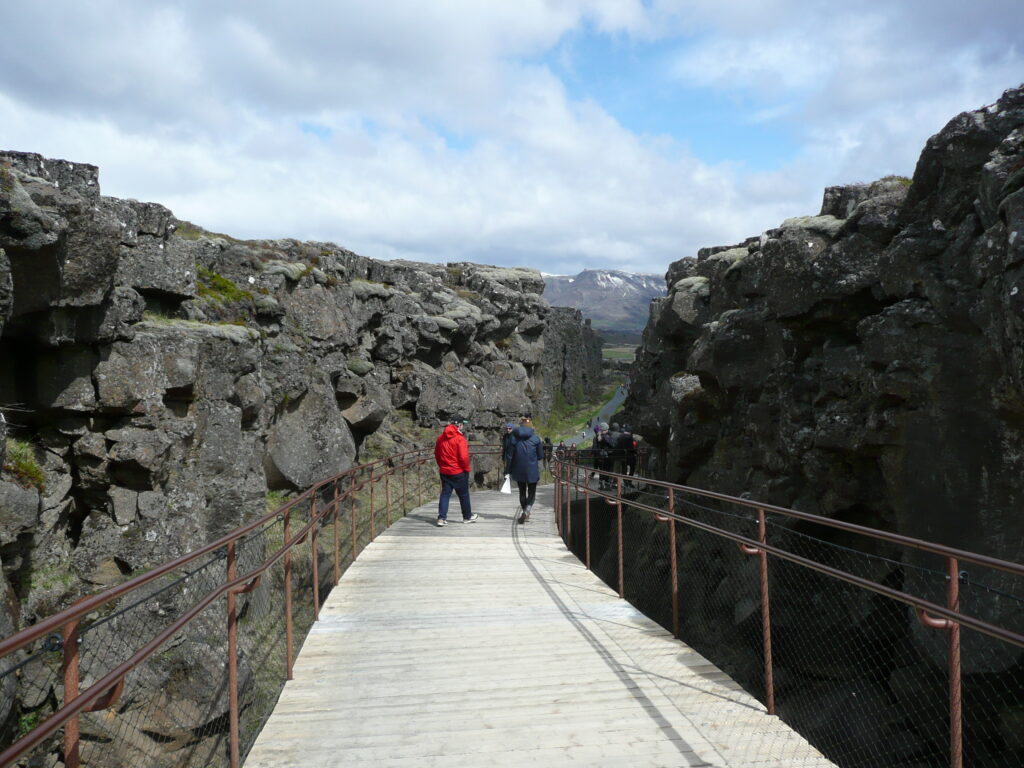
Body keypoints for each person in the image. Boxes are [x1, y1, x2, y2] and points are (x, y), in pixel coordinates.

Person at [434, 415, 477, 527]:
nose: (463, 426)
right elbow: (463, 457)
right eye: (462, 424)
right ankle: (467, 516)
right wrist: (466, 469)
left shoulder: (441, 438)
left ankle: (441, 518)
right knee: (463, 495)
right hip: (458, 471)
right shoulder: (460, 439)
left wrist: (442, 465)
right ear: (459, 425)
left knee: (445, 494)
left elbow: (437, 454)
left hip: (445, 471)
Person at [505, 416, 544, 524]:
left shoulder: (514, 437)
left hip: (518, 469)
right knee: (532, 493)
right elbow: (541, 456)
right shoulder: (536, 439)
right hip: (532, 470)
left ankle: (524, 511)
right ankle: (527, 511)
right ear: (531, 426)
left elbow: (510, 455)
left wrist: (508, 469)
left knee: (522, 492)